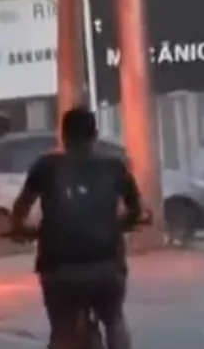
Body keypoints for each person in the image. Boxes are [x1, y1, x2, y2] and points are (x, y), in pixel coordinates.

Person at [8, 107, 144, 349]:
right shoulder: (114, 166)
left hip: (59, 268)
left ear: (63, 135)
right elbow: (136, 209)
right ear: (95, 135)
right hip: (106, 266)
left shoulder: (46, 166)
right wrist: (119, 224)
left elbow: (22, 206)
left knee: (62, 328)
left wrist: (18, 228)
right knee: (114, 320)